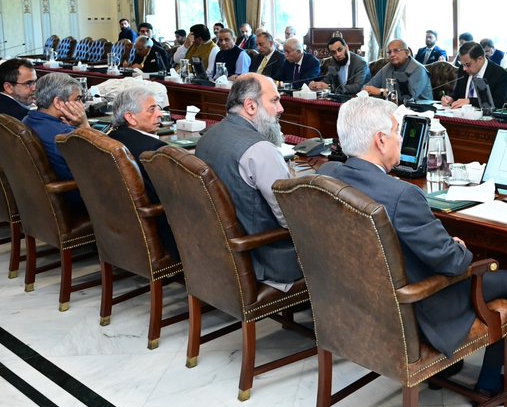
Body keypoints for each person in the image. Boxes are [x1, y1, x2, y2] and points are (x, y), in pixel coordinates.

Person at [319, 96, 507, 403]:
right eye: (396, 132)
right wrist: (460, 249)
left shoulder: (326, 175)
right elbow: (453, 264)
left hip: (355, 301)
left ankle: (448, 368)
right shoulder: (402, 196)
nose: (399, 139)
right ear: (380, 141)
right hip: (415, 307)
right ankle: (489, 385)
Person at [194, 74, 302, 288]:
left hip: (216, 251)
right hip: (262, 258)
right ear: (250, 106)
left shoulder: (207, 136)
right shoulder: (260, 150)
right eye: (274, 100)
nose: (280, 108)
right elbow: (290, 218)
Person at [106, 85, 179, 260]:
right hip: (160, 230)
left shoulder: (110, 139)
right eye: (152, 110)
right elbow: (176, 197)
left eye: (158, 109)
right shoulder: (154, 151)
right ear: (130, 117)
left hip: (119, 227)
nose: (160, 114)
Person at [23, 73, 89, 208]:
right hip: (75, 200)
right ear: (58, 102)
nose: (82, 105)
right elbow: (104, 164)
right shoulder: (65, 136)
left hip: (38, 199)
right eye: (78, 99)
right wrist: (84, 125)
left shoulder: (27, 120)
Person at [444, 41, 507, 109]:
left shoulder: (500, 74)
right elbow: (457, 94)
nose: (464, 69)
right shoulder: (463, 69)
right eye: (462, 64)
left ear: (480, 59)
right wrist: (450, 99)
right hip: (460, 114)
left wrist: (470, 101)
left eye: (467, 65)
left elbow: (498, 103)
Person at [364, 39, 433, 100]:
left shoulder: (419, 70)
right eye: (389, 52)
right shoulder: (387, 67)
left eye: (396, 51)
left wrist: (381, 91)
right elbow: (368, 86)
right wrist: (366, 90)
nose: (392, 55)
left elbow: (407, 97)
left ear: (407, 53)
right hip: (391, 108)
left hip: (419, 111)